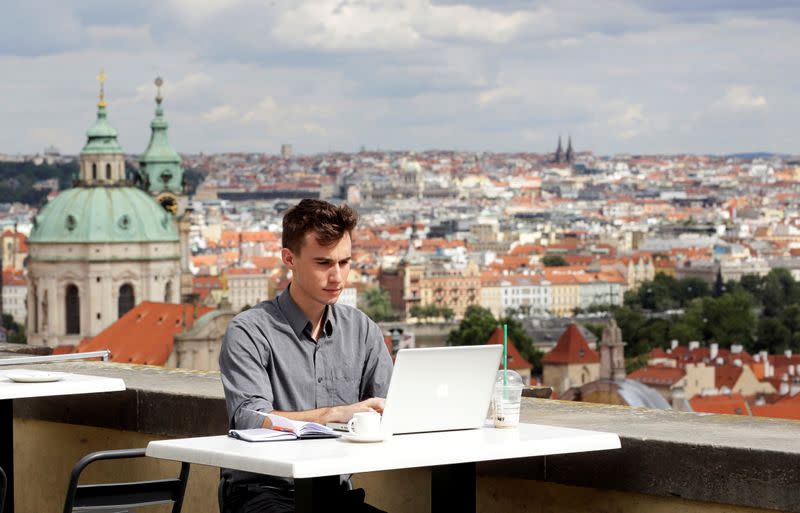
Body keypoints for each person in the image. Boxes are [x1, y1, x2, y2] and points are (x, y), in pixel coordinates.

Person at [219, 199, 394, 513]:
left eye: (345, 262)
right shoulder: (249, 331)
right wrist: (336, 414)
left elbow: (391, 409)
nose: (337, 277)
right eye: (324, 263)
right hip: (263, 492)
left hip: (333, 492)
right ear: (289, 258)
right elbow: (249, 420)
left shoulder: (361, 330)